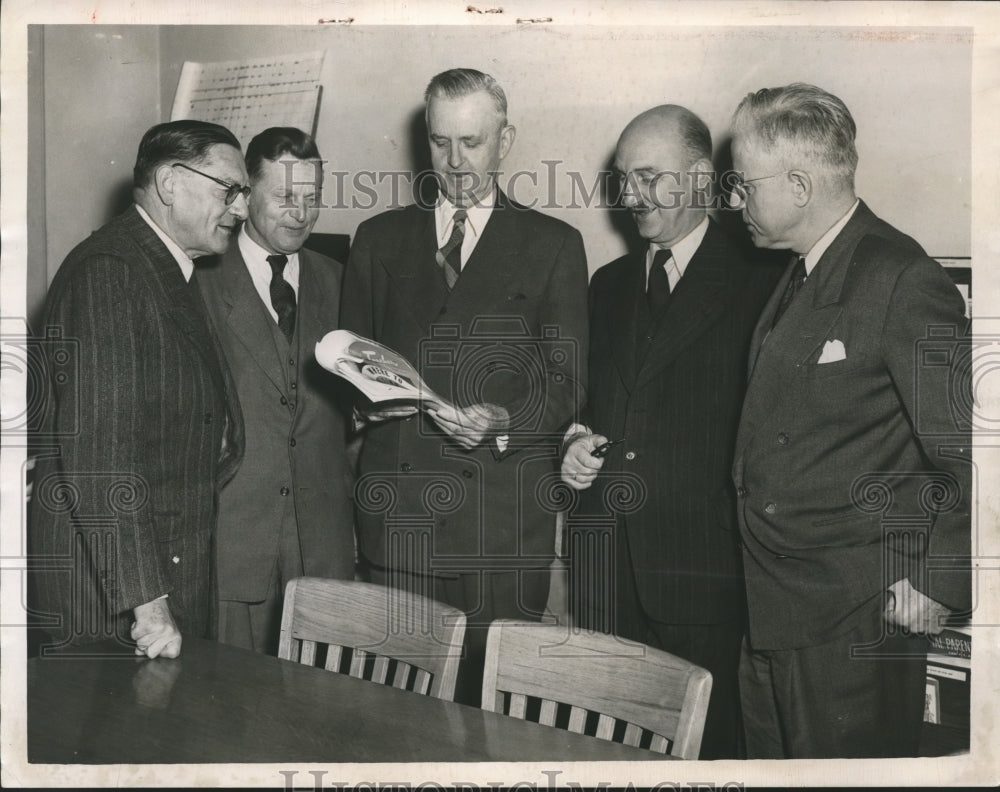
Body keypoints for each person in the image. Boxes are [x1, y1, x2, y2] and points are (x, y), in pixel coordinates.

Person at [727, 83, 971, 758]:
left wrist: (938, 581)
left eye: (743, 183)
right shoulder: (802, 270)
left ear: (799, 184)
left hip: (852, 618)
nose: (733, 199)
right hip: (777, 604)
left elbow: (976, 451)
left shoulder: (899, 278)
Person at [341, 68, 589, 705]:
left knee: (490, 719)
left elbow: (566, 383)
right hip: (400, 523)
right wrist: (364, 402)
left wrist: (502, 420)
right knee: (392, 712)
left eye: (472, 142)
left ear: (506, 140)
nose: (455, 162)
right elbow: (353, 364)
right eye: (440, 142)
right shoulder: (377, 240)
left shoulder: (554, 244)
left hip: (499, 531)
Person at [559, 105, 780, 759]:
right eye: (624, 179)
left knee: (701, 754)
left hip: (701, 572)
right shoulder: (609, 284)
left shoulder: (762, 278)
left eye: (649, 177)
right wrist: (571, 443)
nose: (631, 196)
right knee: (603, 749)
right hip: (603, 568)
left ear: (700, 178)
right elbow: (590, 407)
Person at [29, 120, 248, 659]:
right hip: (111, 595)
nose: (241, 210)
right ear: (171, 182)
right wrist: (148, 608)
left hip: (159, 562)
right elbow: (102, 460)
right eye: (230, 189)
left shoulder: (167, 268)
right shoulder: (112, 272)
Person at [195, 127, 356, 655]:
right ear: (245, 196)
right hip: (236, 544)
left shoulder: (342, 282)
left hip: (323, 547)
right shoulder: (199, 281)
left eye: (312, 198)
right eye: (285, 196)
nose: (301, 213)